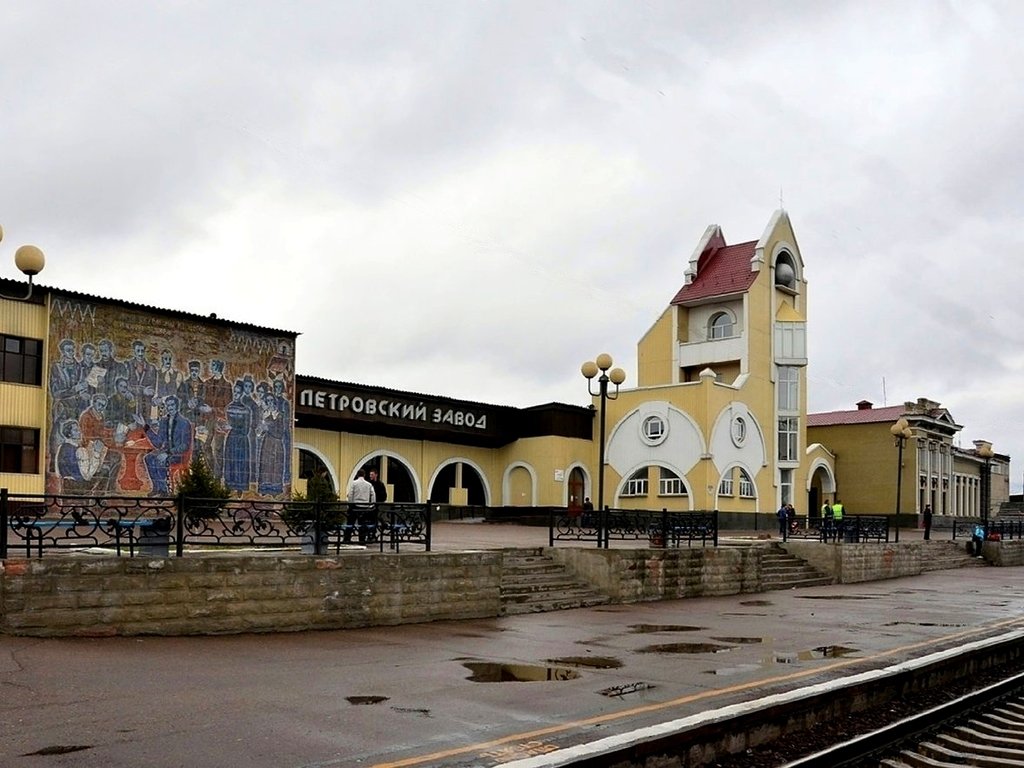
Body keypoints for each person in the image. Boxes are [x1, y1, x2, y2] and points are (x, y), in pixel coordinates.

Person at [346, 469, 376, 544]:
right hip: (365, 506)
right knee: (363, 524)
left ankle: (347, 538)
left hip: (355, 506)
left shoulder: (354, 483)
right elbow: (373, 495)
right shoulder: (369, 484)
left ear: (357, 475)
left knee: (350, 523)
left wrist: (350, 504)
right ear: (364, 475)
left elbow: (350, 495)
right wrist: (371, 505)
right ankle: (362, 540)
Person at [367, 469, 387, 543]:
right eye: (370, 475)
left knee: (374, 520)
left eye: (372, 474)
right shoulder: (369, 483)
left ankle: (373, 534)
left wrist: (379, 501)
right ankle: (369, 534)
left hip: (376, 505)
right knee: (369, 520)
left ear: (376, 475)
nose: (370, 476)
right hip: (369, 505)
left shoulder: (380, 484)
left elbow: (384, 495)